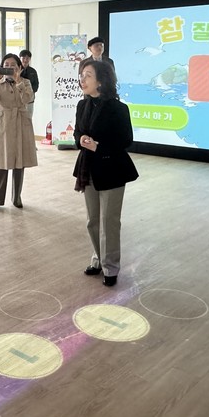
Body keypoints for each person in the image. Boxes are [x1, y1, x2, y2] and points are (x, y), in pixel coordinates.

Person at [72, 59, 138, 287]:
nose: (82, 79)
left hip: (112, 169)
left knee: (109, 221)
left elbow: (125, 140)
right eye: (81, 75)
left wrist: (99, 147)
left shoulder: (118, 108)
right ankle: (98, 260)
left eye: (88, 75)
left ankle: (111, 267)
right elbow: (78, 132)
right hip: (87, 167)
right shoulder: (82, 105)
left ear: (101, 81)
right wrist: (81, 139)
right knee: (93, 220)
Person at [0, 53, 38, 211]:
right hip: (2, 124)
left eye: (13, 65)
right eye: (6, 65)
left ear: (19, 67)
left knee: (19, 162)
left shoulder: (25, 82)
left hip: (21, 123)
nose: (9, 68)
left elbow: (28, 99)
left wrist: (18, 81)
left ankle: (16, 197)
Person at [19, 49, 39, 116]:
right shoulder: (16, 70)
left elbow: (36, 85)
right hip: (18, 99)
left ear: (30, 59)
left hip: (30, 99)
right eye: (23, 58)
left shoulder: (33, 71)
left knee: (29, 117)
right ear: (20, 58)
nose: (25, 60)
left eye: (27, 58)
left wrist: (29, 92)